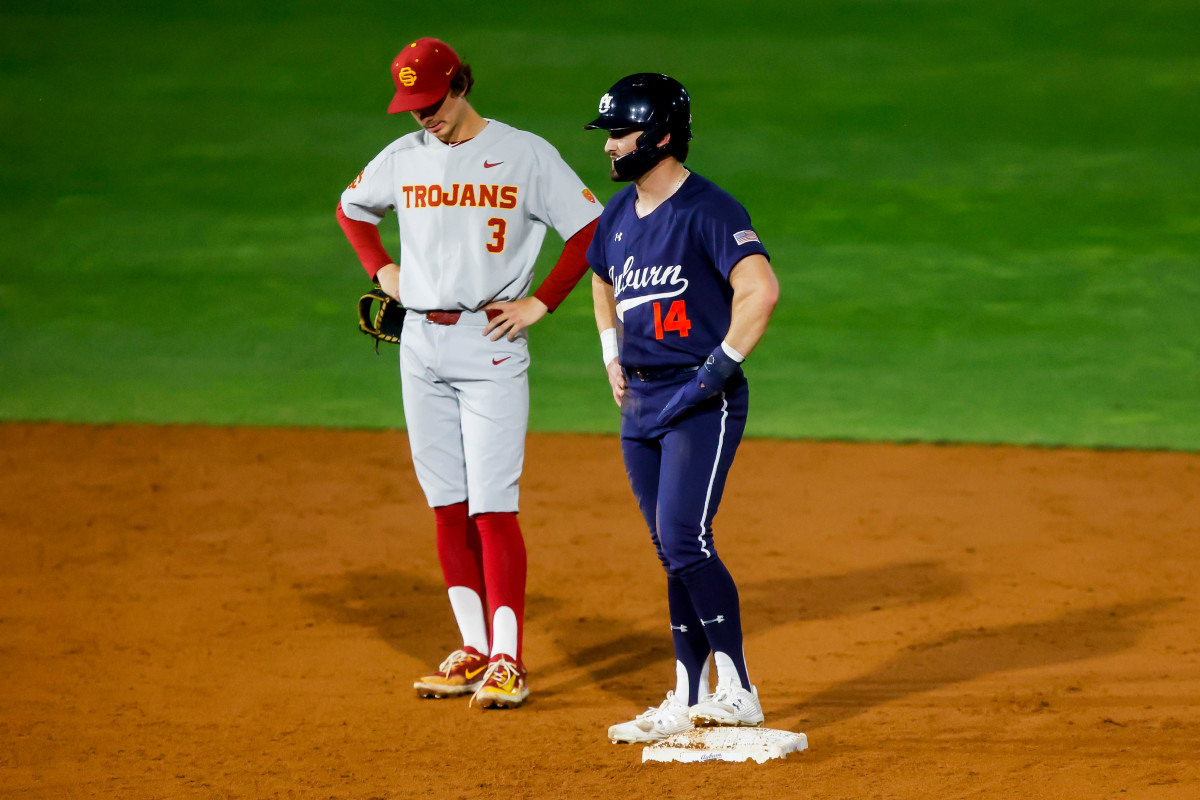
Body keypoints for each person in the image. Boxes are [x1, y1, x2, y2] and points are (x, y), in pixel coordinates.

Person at [336, 37, 602, 709]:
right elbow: (351, 208)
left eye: (430, 103)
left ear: (458, 84)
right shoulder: (402, 158)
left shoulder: (525, 153)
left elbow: (591, 229)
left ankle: (509, 660)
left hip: (490, 346)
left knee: (492, 505)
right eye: (412, 107)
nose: (422, 117)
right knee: (447, 503)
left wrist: (541, 301)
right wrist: (382, 270)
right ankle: (473, 646)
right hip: (418, 343)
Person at [583, 73, 780, 742]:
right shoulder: (615, 217)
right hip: (638, 402)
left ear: (660, 135)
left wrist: (717, 369)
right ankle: (687, 695)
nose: (609, 147)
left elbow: (760, 290)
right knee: (671, 548)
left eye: (619, 133)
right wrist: (611, 352)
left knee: (684, 539)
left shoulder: (711, 209)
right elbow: (601, 280)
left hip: (699, 400)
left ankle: (740, 690)